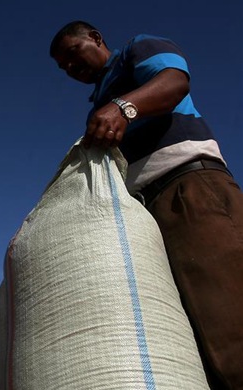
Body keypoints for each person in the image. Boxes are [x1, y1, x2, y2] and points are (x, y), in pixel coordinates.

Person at [50, 21, 243, 389]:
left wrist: (123, 107)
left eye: (73, 54)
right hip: (146, 215)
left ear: (96, 38)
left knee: (229, 323)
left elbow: (174, 81)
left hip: (187, 189)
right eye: (64, 68)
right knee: (196, 344)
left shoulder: (135, 51)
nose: (72, 69)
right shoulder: (99, 103)